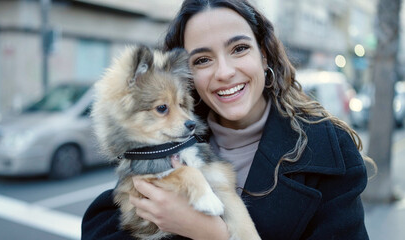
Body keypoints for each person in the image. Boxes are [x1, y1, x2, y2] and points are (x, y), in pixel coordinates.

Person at [82, 0, 374, 239]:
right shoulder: (166, 136)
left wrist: (211, 234)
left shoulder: (328, 148)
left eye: (239, 49)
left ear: (263, 55)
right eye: (202, 60)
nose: (224, 72)